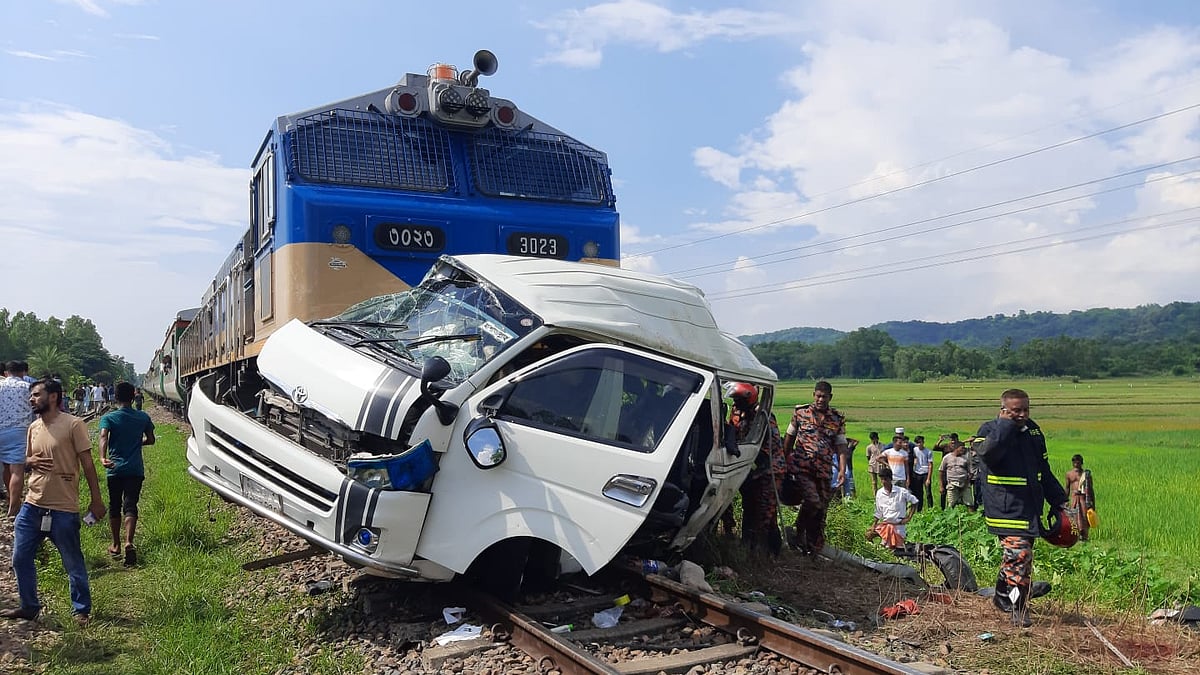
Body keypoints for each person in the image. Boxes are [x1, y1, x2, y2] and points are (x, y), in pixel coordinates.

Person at [2, 379, 106, 625]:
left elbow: (88, 464)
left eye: (36, 394)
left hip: (63, 508)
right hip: (33, 504)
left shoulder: (73, 424)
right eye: (31, 395)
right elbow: (27, 461)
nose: (31, 399)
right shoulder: (33, 427)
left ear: (53, 397)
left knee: (72, 561)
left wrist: (96, 500)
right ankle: (29, 607)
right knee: (20, 558)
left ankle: (81, 610)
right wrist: (30, 462)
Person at [973, 388, 1068, 628]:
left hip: (1030, 509)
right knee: (1020, 557)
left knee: (1015, 560)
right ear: (1003, 410)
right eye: (1016, 411)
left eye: (1026, 409)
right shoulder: (989, 430)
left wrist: (1060, 501)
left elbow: (1043, 471)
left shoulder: (1033, 431)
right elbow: (988, 455)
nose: (1022, 415)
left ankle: (1001, 597)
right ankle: (1018, 607)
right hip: (1005, 510)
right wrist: (1006, 426)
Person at [782, 381, 849, 555]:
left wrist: (842, 471)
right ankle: (799, 531)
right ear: (813, 395)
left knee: (821, 510)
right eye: (818, 396)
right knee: (813, 501)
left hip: (824, 470)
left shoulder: (837, 418)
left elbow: (841, 446)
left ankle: (813, 547)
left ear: (830, 397)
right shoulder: (801, 413)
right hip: (802, 468)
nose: (820, 400)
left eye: (824, 397)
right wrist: (783, 460)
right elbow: (789, 438)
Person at [724, 382, 785, 553]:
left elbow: (770, 448)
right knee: (749, 506)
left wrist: (749, 461)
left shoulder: (763, 416)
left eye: (738, 400)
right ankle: (747, 545)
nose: (735, 404)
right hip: (747, 467)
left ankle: (765, 551)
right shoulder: (737, 413)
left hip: (768, 469)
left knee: (765, 511)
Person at [99, 382, 156, 565]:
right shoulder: (143, 417)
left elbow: (103, 436)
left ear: (115, 397)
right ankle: (129, 542)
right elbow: (151, 440)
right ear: (133, 397)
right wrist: (138, 443)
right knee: (130, 505)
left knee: (115, 505)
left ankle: (116, 545)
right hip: (135, 469)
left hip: (114, 469)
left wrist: (102, 457)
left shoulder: (109, 418)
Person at [1, 361, 34, 516]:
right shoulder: (28, 387)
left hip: (1, 429)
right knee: (17, 470)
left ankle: (10, 497)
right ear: (23, 372)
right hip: (20, 430)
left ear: (6, 373)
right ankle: (14, 507)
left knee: (5, 467)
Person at [865, 466, 918, 549]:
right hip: (886, 526)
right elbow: (878, 511)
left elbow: (915, 502)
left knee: (896, 549)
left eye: (885, 479)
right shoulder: (880, 493)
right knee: (868, 535)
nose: (883, 482)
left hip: (898, 527)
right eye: (881, 479)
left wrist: (908, 518)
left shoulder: (901, 492)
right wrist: (873, 525)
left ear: (891, 479)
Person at [1064, 454, 1095, 542]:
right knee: (1074, 517)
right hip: (1074, 498)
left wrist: (1093, 503)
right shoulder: (1069, 474)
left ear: (1081, 463)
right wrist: (1065, 500)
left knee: (1084, 517)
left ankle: (1084, 537)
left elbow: (1090, 489)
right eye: (1074, 462)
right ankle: (1075, 538)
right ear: (1072, 463)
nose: (1076, 464)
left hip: (1083, 498)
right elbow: (1067, 488)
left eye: (1078, 462)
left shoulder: (1086, 475)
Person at [938, 440, 974, 509]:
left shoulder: (966, 459)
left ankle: (971, 516)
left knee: (970, 504)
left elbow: (971, 473)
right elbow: (941, 471)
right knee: (951, 504)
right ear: (956, 448)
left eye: (964, 448)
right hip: (952, 484)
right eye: (962, 448)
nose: (963, 450)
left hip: (965, 484)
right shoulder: (947, 458)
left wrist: (966, 483)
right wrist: (941, 486)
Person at [933, 433, 960, 508]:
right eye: (951, 440)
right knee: (943, 490)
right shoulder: (946, 446)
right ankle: (942, 508)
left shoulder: (959, 447)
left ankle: (953, 507)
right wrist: (940, 440)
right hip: (945, 471)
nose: (953, 441)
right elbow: (935, 448)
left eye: (954, 439)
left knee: (954, 490)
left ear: (957, 439)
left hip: (955, 471)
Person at [909, 435, 933, 511]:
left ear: (923, 442)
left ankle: (930, 509)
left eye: (920, 442)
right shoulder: (914, 450)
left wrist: (928, 478)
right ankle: (919, 509)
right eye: (917, 443)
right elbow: (913, 457)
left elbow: (930, 465)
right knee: (919, 493)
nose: (919, 444)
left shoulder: (928, 451)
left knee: (928, 493)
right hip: (917, 473)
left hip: (925, 473)